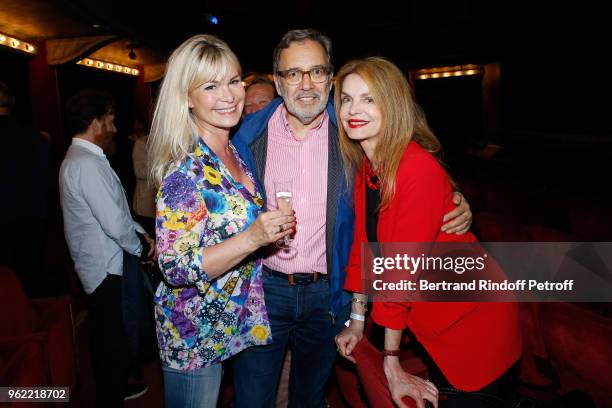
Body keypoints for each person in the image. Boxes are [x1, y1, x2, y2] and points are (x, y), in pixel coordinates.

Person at [231, 29, 473, 407]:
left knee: (309, 397)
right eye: (293, 74)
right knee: (251, 399)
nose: (306, 84)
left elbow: (407, 156)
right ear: (279, 82)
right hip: (265, 290)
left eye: (316, 71)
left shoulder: (352, 129)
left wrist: (454, 198)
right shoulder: (246, 138)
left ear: (330, 78)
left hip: (331, 294)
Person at [333, 57, 521, 408]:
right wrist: (357, 321)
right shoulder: (367, 168)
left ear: (394, 105)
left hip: (474, 318)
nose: (353, 109)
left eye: (369, 99)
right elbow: (365, 248)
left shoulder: (416, 168)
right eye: (346, 98)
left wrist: (392, 360)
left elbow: (400, 270)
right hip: (433, 316)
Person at [147, 34, 295, 408]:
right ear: (186, 97)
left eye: (233, 81)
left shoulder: (232, 149)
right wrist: (252, 237)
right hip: (194, 329)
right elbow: (175, 267)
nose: (229, 96)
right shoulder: (185, 169)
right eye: (211, 86)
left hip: (234, 318)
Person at [59, 89, 153, 407]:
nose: (114, 127)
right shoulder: (86, 163)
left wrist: (141, 234)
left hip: (100, 263)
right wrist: (143, 248)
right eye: (110, 119)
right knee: (111, 338)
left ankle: (113, 387)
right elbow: (115, 223)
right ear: (96, 122)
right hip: (105, 268)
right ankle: (109, 395)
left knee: (109, 334)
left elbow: (118, 213)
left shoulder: (84, 159)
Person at [0, 82, 49, 297]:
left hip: (3, 222)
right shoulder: (35, 137)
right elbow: (46, 177)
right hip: (33, 219)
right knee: (30, 282)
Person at [131, 120, 156, 235]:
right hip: (146, 207)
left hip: (161, 206)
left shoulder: (170, 142)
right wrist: (165, 166)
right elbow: (139, 171)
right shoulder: (142, 143)